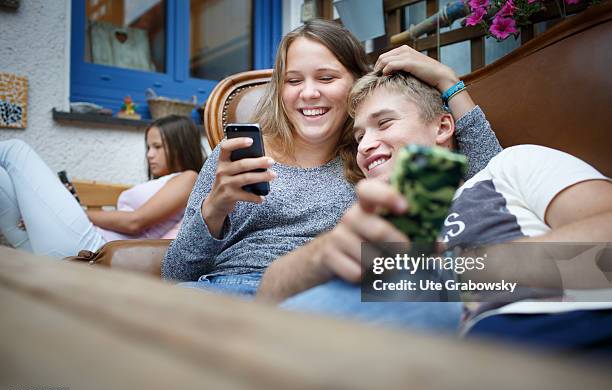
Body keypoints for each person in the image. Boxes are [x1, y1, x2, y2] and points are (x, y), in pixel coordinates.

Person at [257, 45, 612, 345]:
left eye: (384, 123)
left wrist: (452, 274)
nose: (365, 145)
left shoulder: (510, 167)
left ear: (443, 127)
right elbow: (267, 300)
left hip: (557, 330)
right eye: (357, 137)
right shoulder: (370, 223)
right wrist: (323, 253)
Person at [161, 21, 502, 297]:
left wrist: (449, 82)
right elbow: (175, 272)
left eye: (326, 78)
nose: (309, 93)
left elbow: (490, 181)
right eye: (294, 81)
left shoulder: (374, 159)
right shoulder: (234, 159)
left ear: (356, 83)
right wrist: (214, 209)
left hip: (320, 298)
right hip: (220, 292)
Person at [0, 114, 205, 258]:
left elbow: (135, 222)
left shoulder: (189, 178)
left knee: (13, 150)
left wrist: (75, 213)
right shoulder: (162, 182)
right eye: (148, 147)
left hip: (93, 249)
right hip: (80, 246)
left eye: (157, 147)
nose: (149, 154)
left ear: (180, 146)